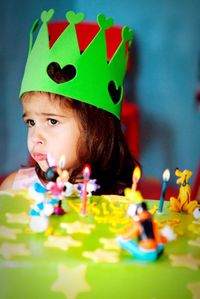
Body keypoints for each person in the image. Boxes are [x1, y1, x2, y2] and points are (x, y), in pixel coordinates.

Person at [0, 9, 140, 194]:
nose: (35, 137)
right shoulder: (14, 189)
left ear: (97, 129)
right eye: (30, 122)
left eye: (52, 121)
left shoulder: (117, 200)